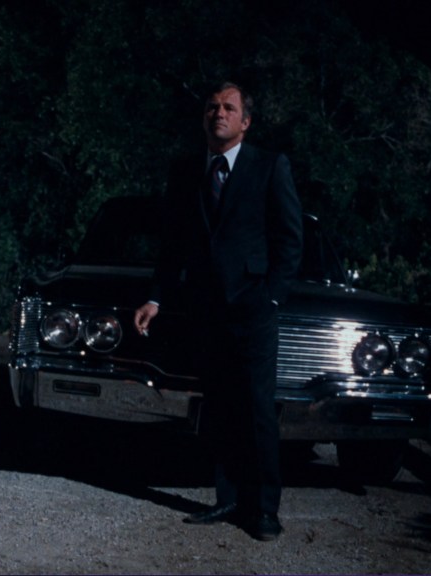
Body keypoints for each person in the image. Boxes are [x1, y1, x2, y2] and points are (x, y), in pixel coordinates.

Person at [133, 81, 302, 541]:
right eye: (212, 107)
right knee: (221, 409)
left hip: (253, 308)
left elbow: (290, 238)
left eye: (229, 108)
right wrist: (156, 297)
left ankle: (264, 509)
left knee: (258, 410)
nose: (218, 113)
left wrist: (271, 296)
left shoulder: (270, 166)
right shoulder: (186, 171)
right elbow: (173, 244)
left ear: (245, 121)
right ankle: (226, 499)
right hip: (206, 310)